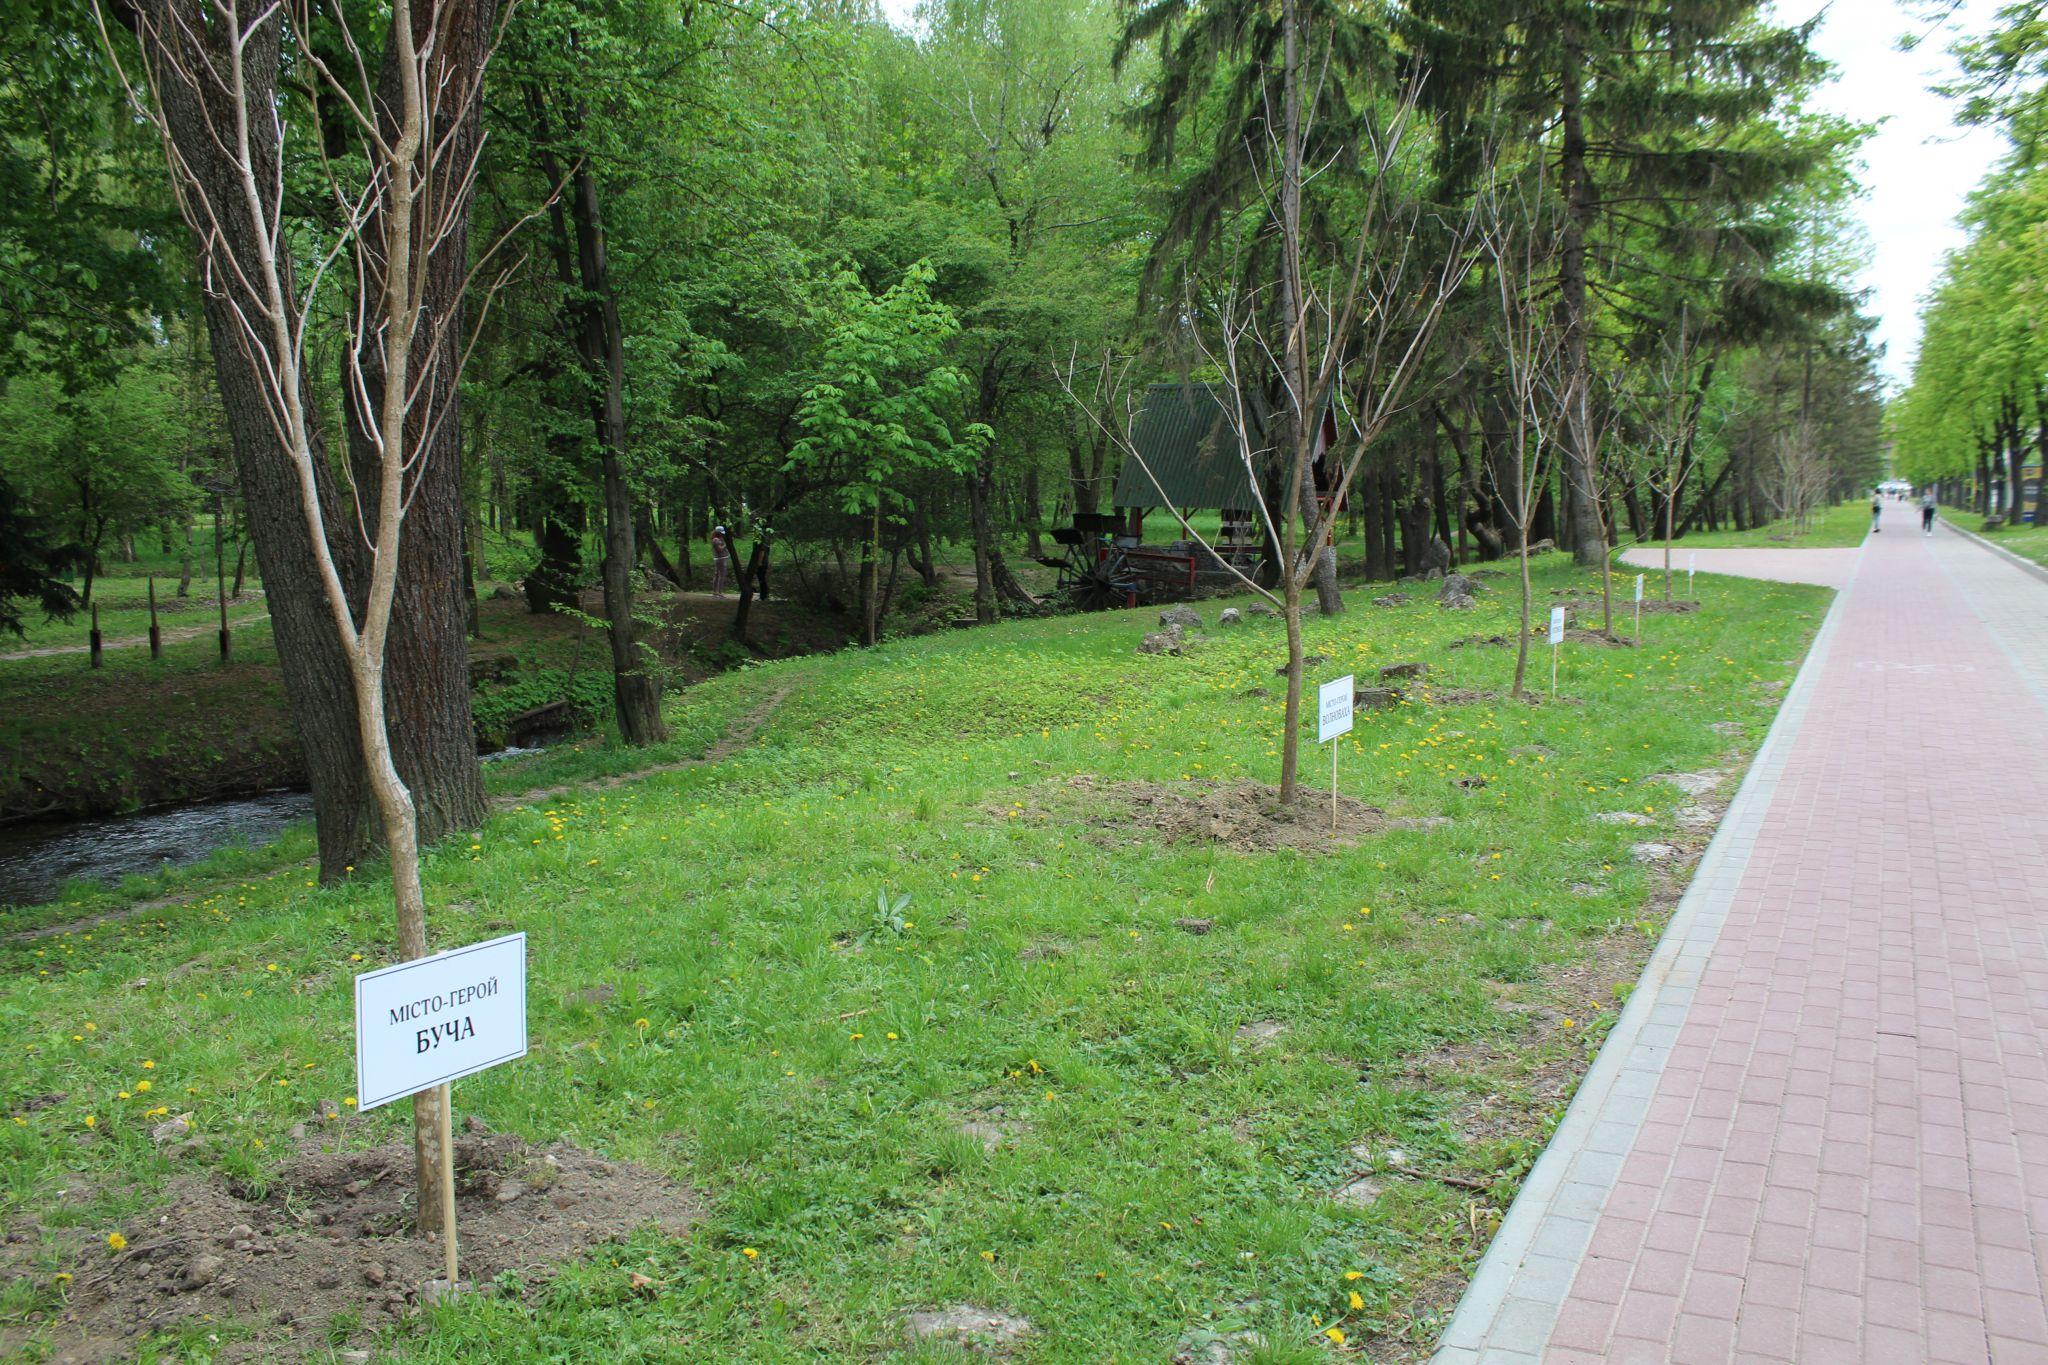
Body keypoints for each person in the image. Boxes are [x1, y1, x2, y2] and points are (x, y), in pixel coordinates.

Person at [710, 524, 731, 597]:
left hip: (721, 559)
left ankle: (715, 591)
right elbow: (720, 549)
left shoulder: (719, 539)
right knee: (721, 575)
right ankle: (719, 592)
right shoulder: (716, 540)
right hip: (720, 559)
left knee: (717, 574)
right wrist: (726, 545)